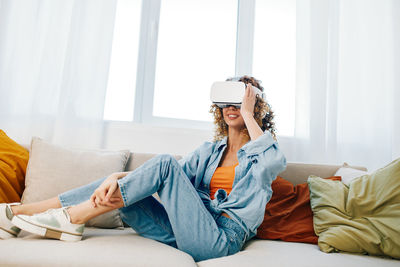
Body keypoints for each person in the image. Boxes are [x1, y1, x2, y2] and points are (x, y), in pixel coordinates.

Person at [0, 75, 286, 262]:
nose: (229, 105)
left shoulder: (263, 153)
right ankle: (20, 213)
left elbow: (272, 162)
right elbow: (172, 177)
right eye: (224, 99)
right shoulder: (209, 152)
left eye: (238, 98)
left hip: (219, 238)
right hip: (184, 231)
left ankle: (71, 218)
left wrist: (248, 113)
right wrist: (115, 175)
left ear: (253, 104)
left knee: (162, 163)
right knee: (117, 191)